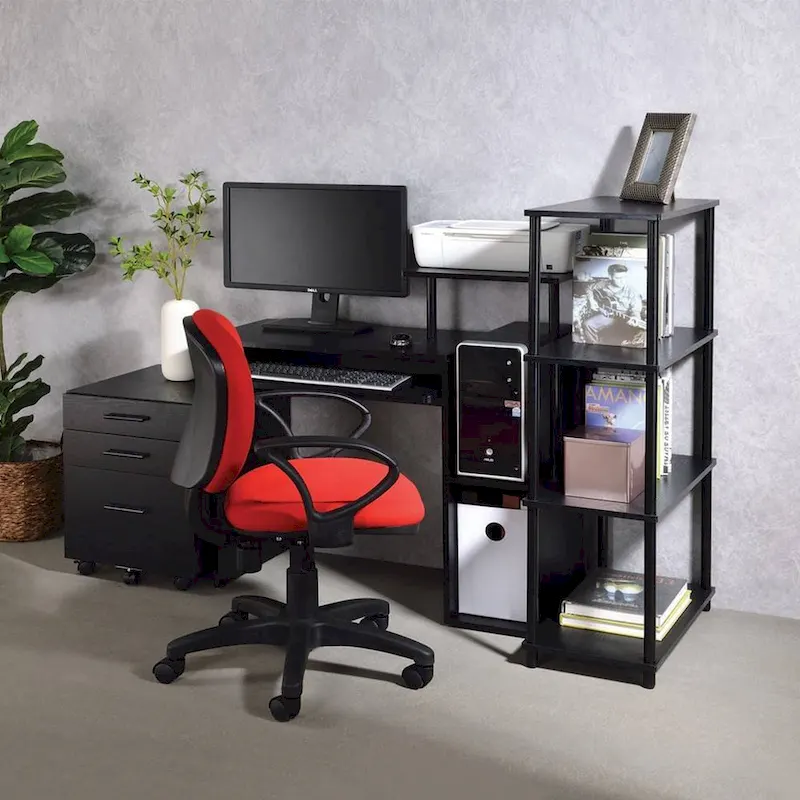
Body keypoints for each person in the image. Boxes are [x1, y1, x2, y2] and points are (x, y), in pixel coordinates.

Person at [580, 263, 644, 345]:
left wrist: (635, 318)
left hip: (623, 318)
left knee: (638, 334)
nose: (622, 281)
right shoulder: (604, 283)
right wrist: (592, 301)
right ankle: (594, 347)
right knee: (587, 324)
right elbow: (588, 288)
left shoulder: (632, 292)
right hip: (606, 314)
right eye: (618, 278)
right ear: (610, 277)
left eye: (624, 277)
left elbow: (635, 311)